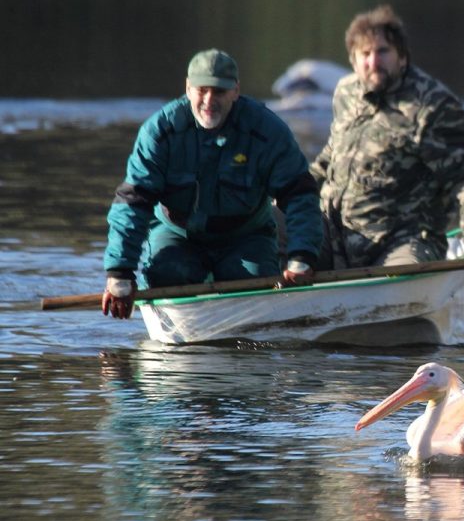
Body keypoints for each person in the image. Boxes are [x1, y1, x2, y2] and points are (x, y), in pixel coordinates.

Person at [101, 48, 323, 319]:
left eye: (219, 92)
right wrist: (120, 272)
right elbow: (133, 202)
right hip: (178, 232)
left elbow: (300, 195)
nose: (209, 100)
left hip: (246, 234)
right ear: (187, 88)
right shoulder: (160, 132)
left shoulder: (268, 131)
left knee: (258, 283)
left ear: (236, 91)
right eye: (201, 90)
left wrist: (303, 256)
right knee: (169, 274)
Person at [310, 5, 464, 269]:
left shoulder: (431, 104)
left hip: (403, 242)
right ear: (353, 61)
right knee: (265, 223)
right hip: (334, 236)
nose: (373, 62)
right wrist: (290, 192)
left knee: (400, 274)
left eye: (382, 52)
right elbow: (331, 156)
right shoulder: (346, 93)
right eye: (365, 54)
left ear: (402, 57)